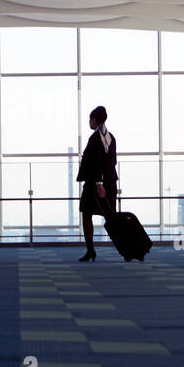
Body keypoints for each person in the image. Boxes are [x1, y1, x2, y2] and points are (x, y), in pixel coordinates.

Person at [76, 105, 117, 262]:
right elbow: (111, 162)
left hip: (95, 184)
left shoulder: (95, 138)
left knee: (86, 214)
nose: (89, 122)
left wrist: (99, 183)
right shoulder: (111, 137)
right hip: (109, 182)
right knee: (110, 217)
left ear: (95, 120)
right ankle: (127, 247)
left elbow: (98, 162)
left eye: (90, 119)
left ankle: (90, 250)